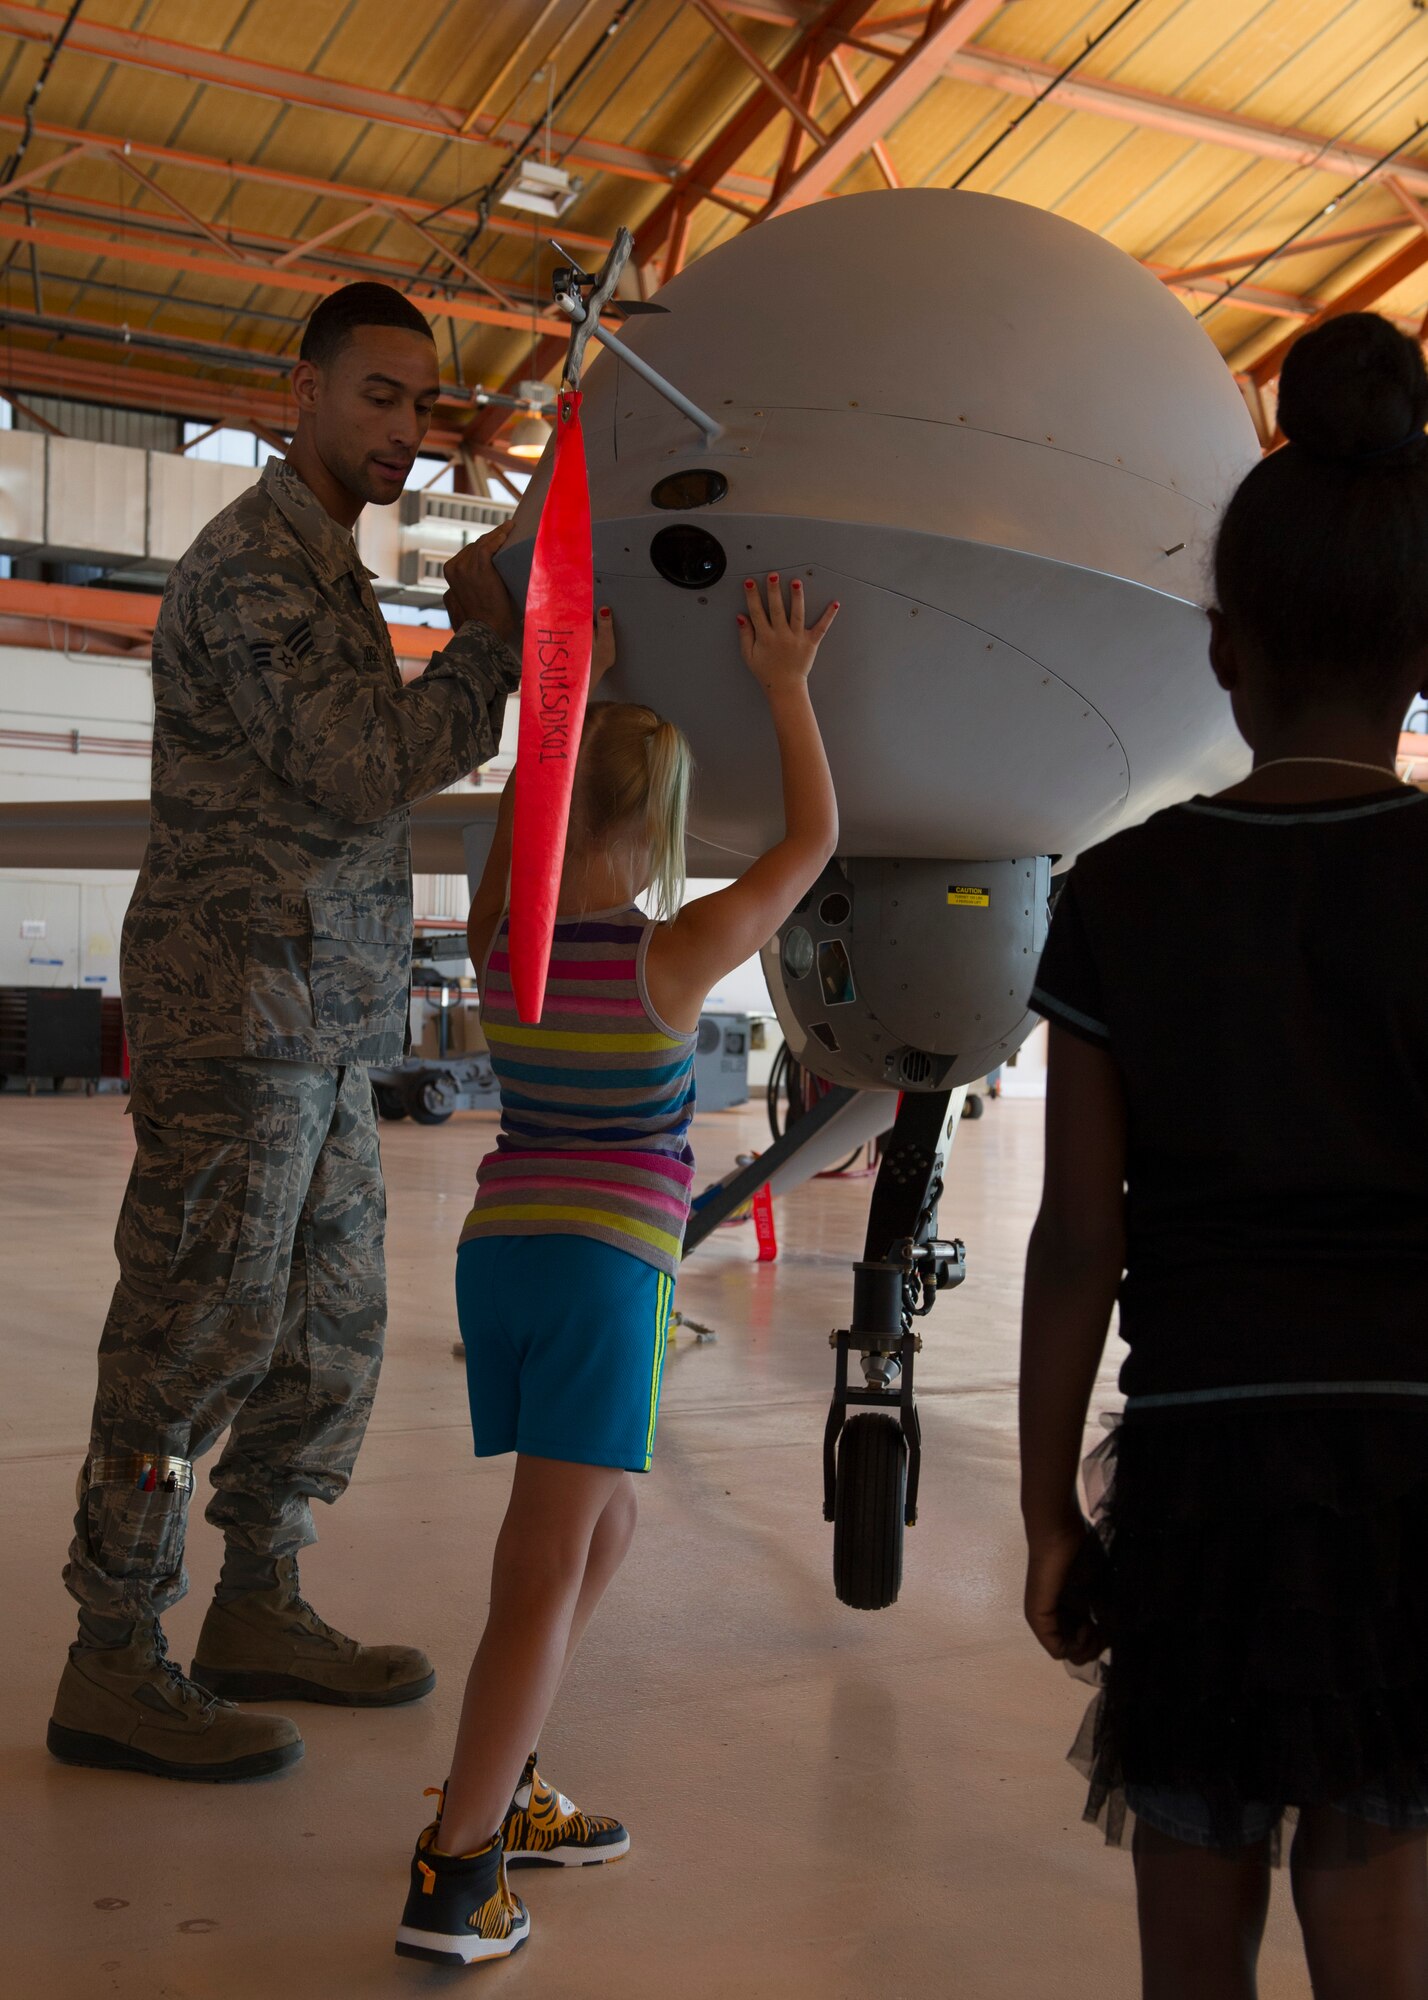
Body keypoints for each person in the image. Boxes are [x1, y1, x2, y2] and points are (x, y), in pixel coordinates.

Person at [50, 282, 528, 1784]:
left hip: (321, 1019)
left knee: (326, 1331)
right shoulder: (253, 570)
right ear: (306, 390)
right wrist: (494, 650)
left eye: (424, 408)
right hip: (237, 1011)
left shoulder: (326, 573)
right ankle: (113, 1655)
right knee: (194, 1332)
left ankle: (260, 1599)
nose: (404, 430)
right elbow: (355, 763)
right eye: (378, 396)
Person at [1019, 311, 1428, 2000]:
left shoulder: (1118, 891)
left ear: (1219, 650)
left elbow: (1076, 1239)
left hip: (1198, 1466)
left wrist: (1051, 1510)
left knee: (1192, 1928)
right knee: (1379, 1897)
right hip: (1414, 1457)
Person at [393, 572, 840, 1966]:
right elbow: (817, 841)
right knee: (542, 1563)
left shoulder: (502, 936)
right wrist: (784, 685)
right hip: (601, 1271)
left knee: (606, 1529)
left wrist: (561, 696)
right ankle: (456, 1871)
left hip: (506, 1259)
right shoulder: (672, 952)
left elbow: (522, 819)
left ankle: (502, 1780)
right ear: (656, 823)